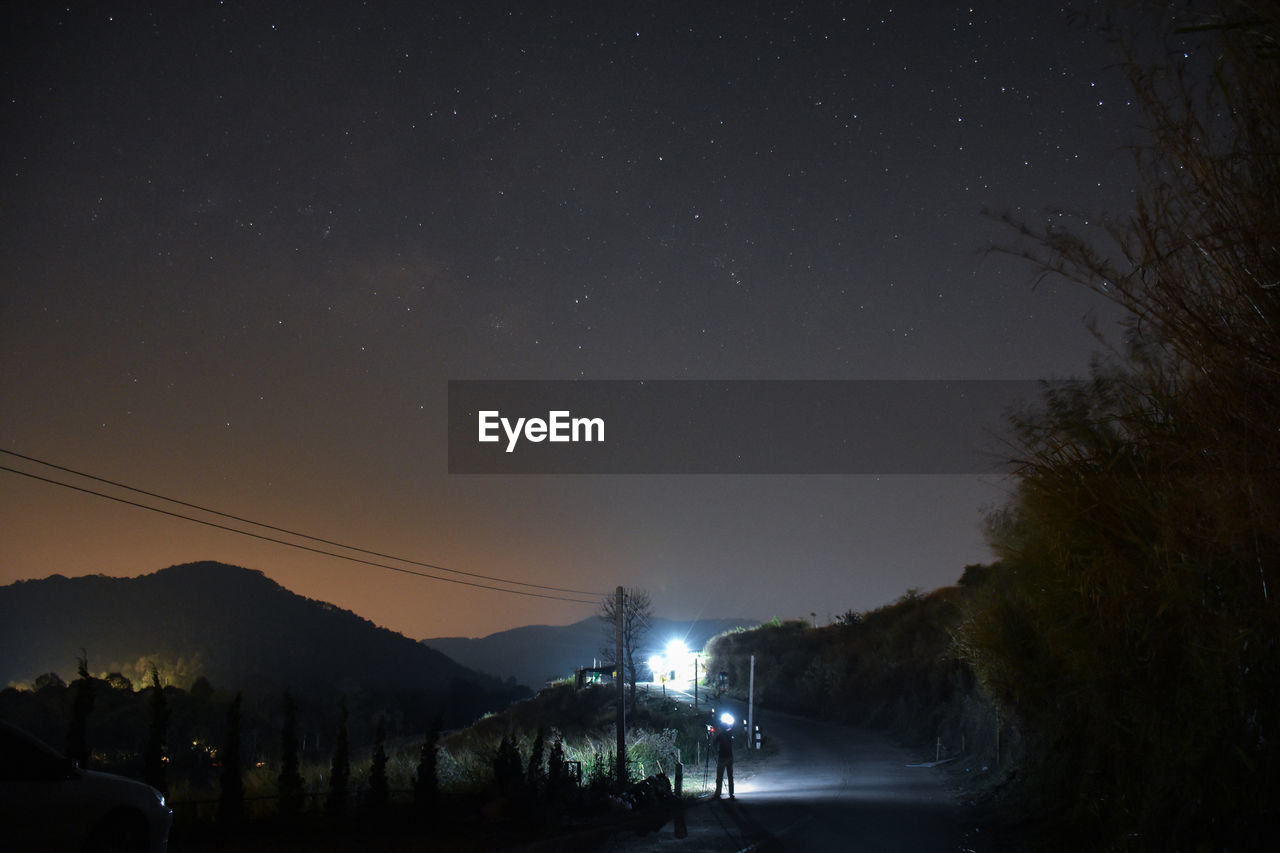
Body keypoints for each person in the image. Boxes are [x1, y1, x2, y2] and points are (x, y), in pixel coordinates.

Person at [714, 716, 735, 799]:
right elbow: (731, 728)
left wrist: (717, 751)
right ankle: (731, 793)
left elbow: (714, 743)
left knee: (719, 776)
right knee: (730, 776)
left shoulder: (721, 735)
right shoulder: (730, 734)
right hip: (730, 757)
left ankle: (718, 793)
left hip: (722, 757)